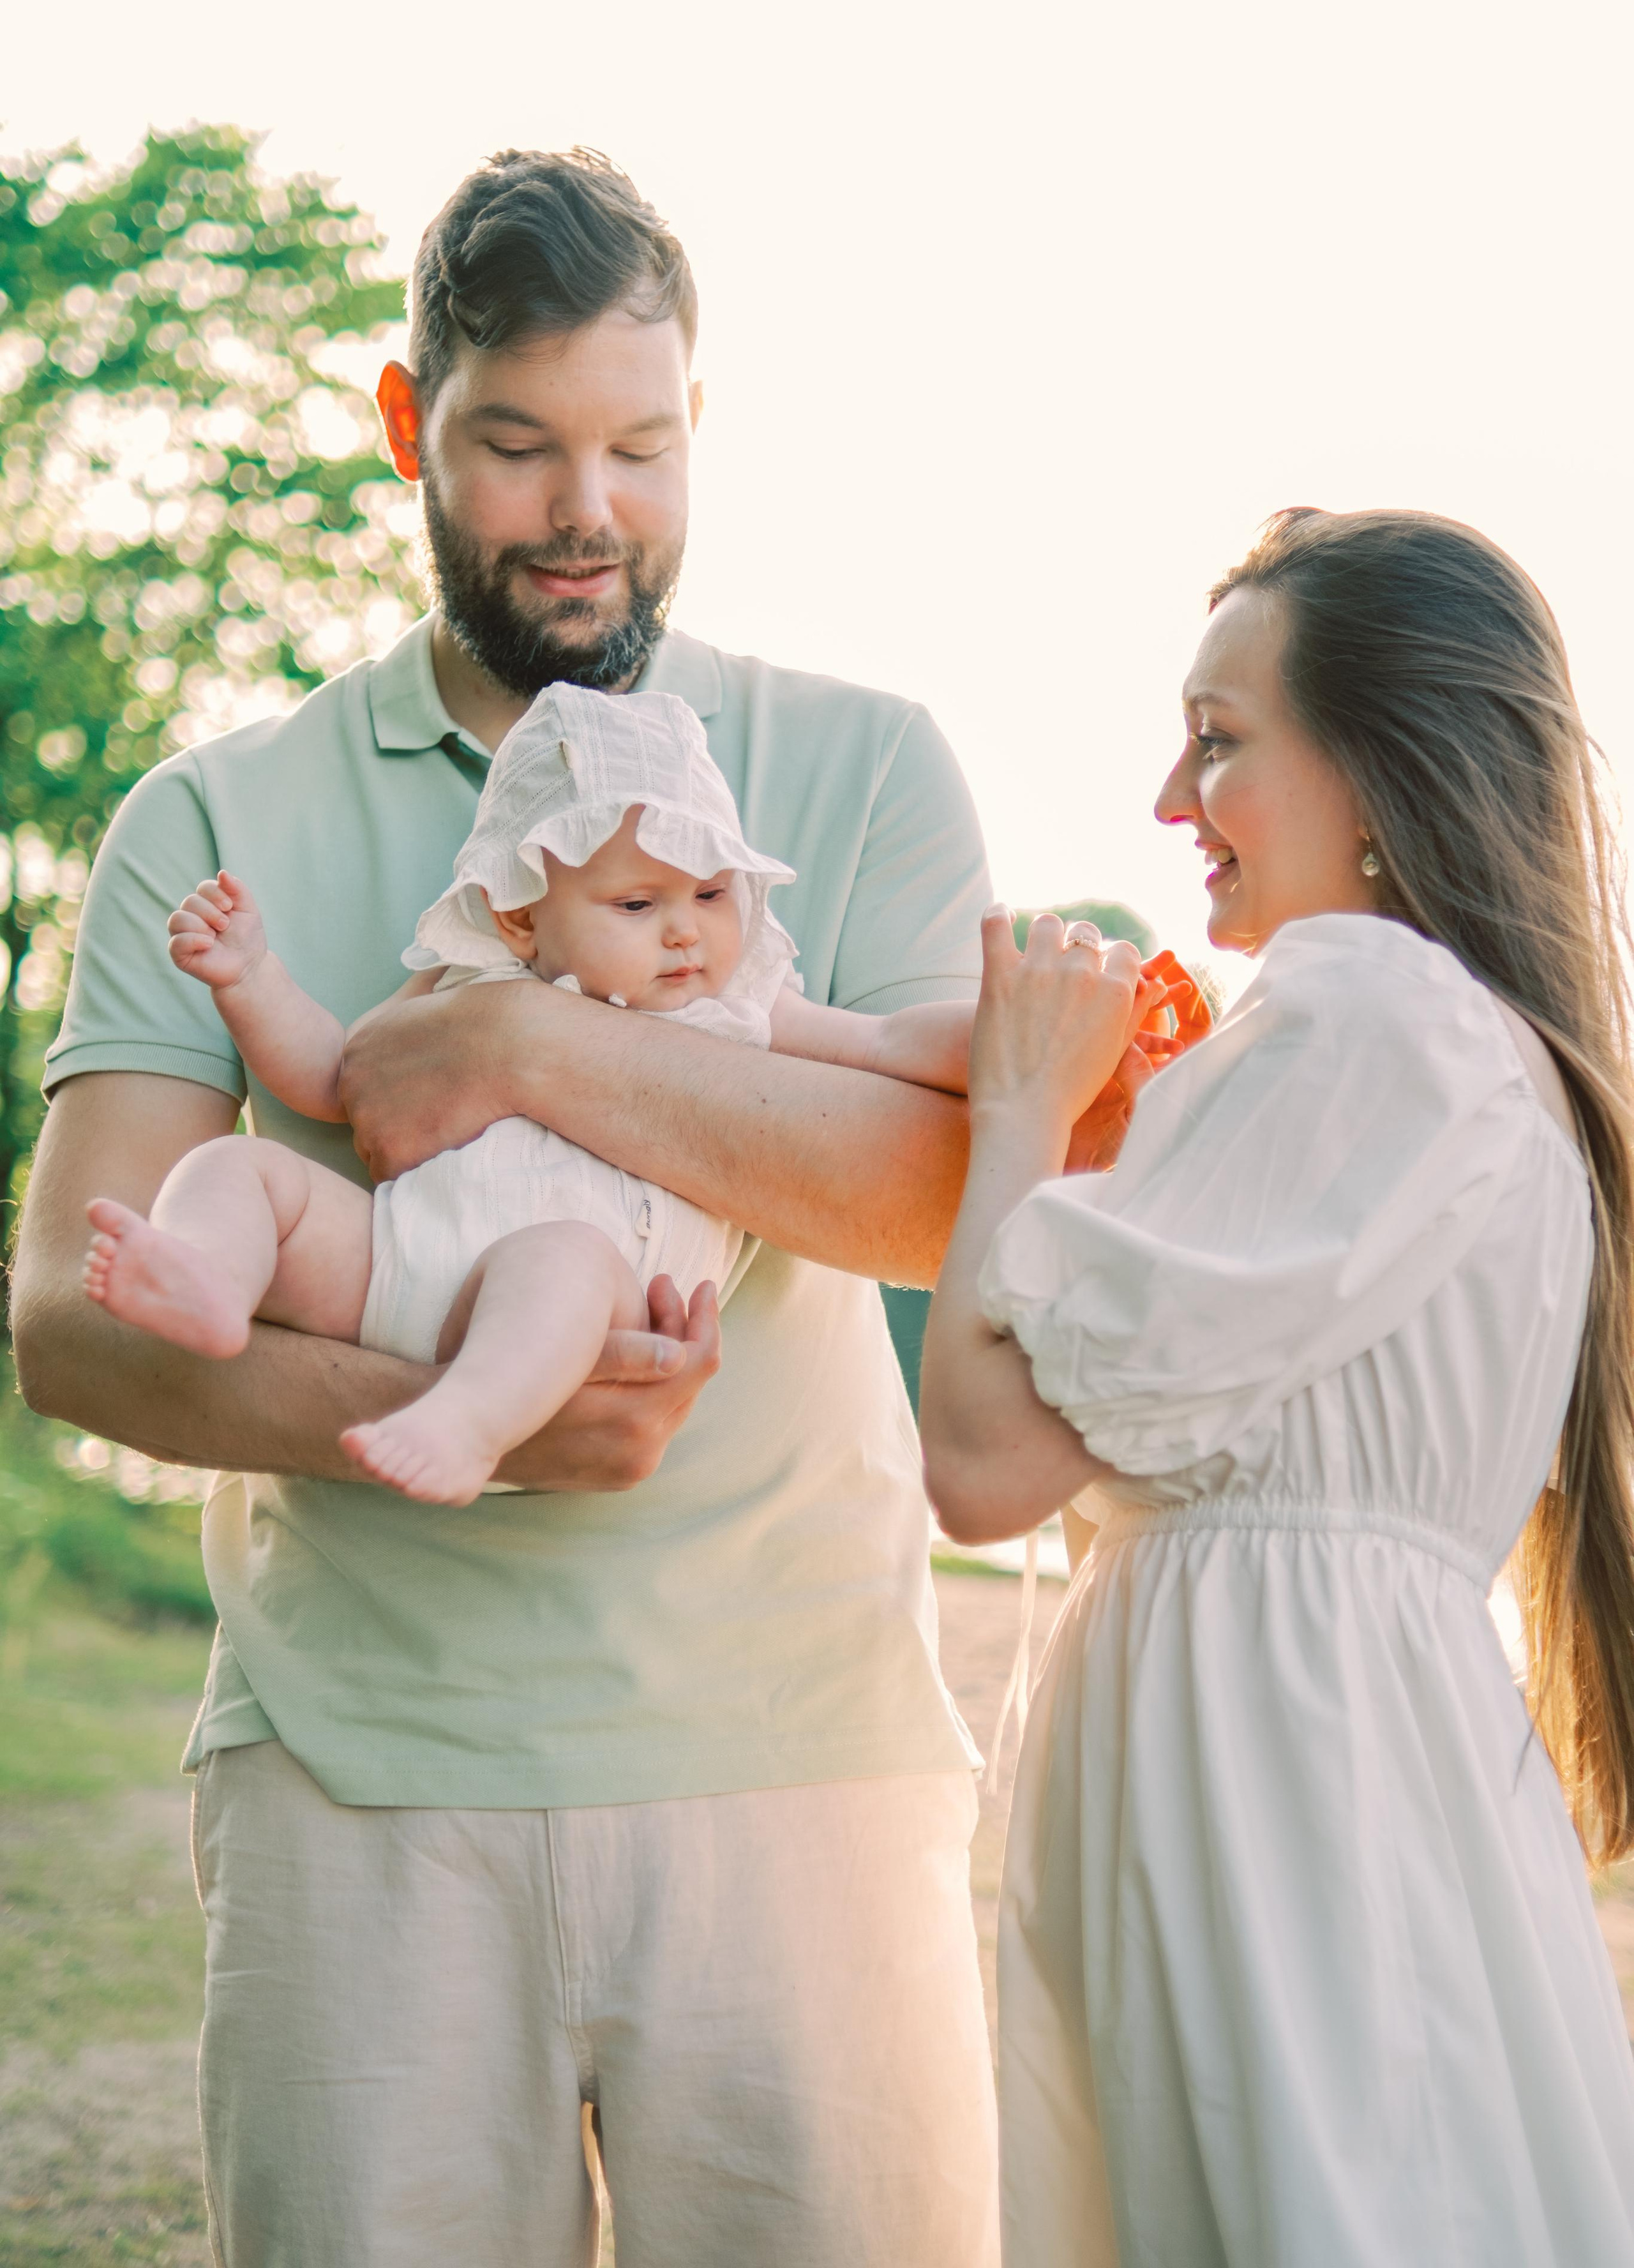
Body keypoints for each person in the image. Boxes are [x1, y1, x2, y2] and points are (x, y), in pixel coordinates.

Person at [13, 147, 1014, 2267]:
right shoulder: (212, 813)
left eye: (640, 447)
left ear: (699, 423)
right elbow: (70, 1324)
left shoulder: (863, 766)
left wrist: (528, 1049)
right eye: (519, 444)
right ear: (408, 423)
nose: (587, 511)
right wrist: (452, 1407)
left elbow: (936, 1196)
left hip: (799, 1766)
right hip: (357, 1782)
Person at [920, 507, 1634, 2266]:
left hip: (1273, 1787)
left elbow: (983, 1461)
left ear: (1379, 775)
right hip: (1331, 1757)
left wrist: (1020, 1110)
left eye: (1219, 738)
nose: (1172, 797)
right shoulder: (1465, 1050)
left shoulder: (1367, 1011)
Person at [84, 680, 986, 1506]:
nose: (685, 931)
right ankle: (210, 1277)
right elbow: (333, 1075)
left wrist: (1018, 1030)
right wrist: (250, 980)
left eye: (712, 893)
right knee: (237, 1168)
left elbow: (886, 1043)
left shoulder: (740, 1006)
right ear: (519, 916)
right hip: (393, 1261)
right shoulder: (465, 978)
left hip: (583, 1318)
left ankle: (465, 1422)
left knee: (562, 1256)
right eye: (637, 905)